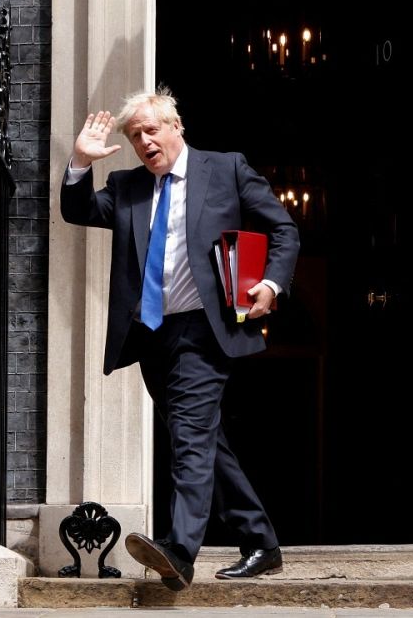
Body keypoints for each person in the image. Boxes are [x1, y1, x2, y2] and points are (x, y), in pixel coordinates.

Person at [60, 88, 300, 590]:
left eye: (151, 129)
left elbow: (283, 228)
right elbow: (78, 211)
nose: (145, 142)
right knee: (205, 439)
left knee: (190, 438)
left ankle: (179, 551)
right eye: (134, 136)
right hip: (152, 334)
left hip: (203, 330)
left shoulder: (226, 168)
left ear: (176, 126)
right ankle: (261, 542)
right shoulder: (128, 186)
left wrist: (271, 284)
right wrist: (81, 159)